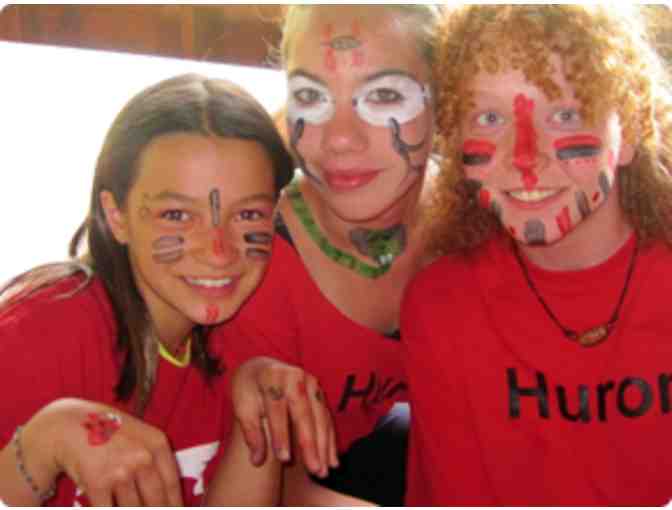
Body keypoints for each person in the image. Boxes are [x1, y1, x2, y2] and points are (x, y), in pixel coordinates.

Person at [402, 4, 672, 505]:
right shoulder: (443, 307)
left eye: (565, 115)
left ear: (631, 132)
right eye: (489, 118)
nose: (524, 157)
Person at [0, 73, 294, 506]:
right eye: (177, 215)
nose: (218, 252)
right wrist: (44, 442)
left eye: (248, 215)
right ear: (116, 215)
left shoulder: (251, 339)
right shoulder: (38, 333)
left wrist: (262, 423)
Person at [210, 4, 440, 506]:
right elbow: (270, 486)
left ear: (445, 99)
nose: (339, 139)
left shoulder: (470, 221)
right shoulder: (252, 260)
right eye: (311, 97)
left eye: (383, 95)